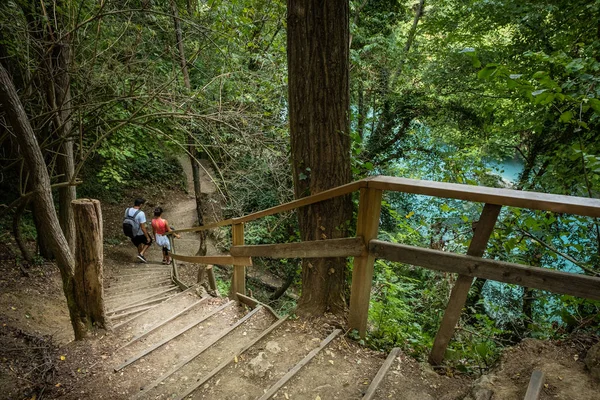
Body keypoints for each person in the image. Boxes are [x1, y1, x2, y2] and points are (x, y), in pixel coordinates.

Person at [125, 198, 152, 263]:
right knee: (149, 241)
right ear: (141, 205)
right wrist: (147, 237)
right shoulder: (141, 213)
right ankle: (141, 254)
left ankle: (141, 258)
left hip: (130, 232)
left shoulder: (127, 210)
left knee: (139, 244)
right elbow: (143, 227)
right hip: (139, 232)